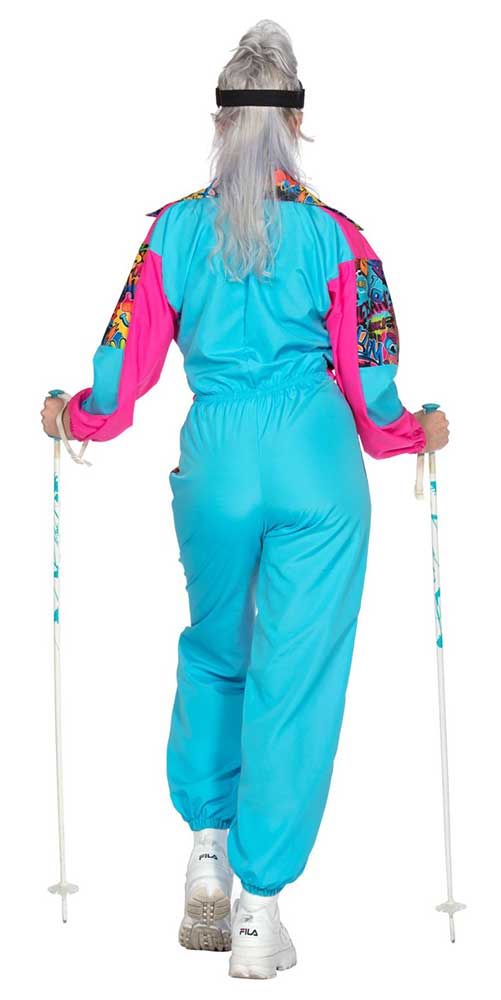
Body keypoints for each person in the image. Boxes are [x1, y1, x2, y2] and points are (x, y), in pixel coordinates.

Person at [40, 19, 449, 981]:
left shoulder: (171, 232)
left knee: (217, 648)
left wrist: (77, 416)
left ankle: (207, 850)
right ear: (297, 121)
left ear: (217, 121)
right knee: (295, 677)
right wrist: (411, 432)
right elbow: (372, 380)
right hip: (314, 461)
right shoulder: (339, 238)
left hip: (215, 462)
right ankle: (259, 911)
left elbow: (123, 367)